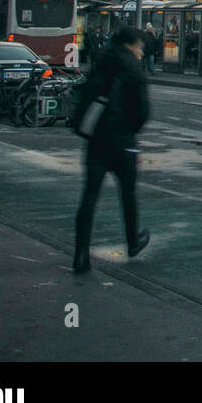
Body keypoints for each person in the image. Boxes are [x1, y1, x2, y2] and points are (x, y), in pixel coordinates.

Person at [72, 25, 151, 274]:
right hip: (122, 140)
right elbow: (142, 111)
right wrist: (130, 130)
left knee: (89, 196)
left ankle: (81, 253)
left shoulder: (101, 62)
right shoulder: (133, 69)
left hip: (96, 140)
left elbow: (84, 96)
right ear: (131, 44)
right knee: (128, 193)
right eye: (140, 46)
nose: (141, 51)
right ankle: (133, 241)